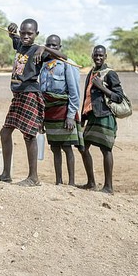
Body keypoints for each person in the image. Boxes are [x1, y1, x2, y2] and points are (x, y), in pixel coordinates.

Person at [0, 19, 65, 186]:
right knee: (5, 133)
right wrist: (11, 29)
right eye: (23, 33)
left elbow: (64, 57)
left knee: (29, 136)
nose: (26, 36)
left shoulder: (38, 50)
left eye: (30, 33)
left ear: (37, 34)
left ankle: (33, 177)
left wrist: (44, 47)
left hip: (30, 94)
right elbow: (13, 36)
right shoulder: (20, 45)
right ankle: (6, 173)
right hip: (18, 94)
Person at [39, 35, 83, 185]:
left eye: (54, 46)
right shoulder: (44, 65)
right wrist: (41, 119)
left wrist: (71, 115)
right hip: (49, 112)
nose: (51, 48)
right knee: (55, 148)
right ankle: (59, 181)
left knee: (67, 147)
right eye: (49, 45)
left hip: (64, 111)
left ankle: (71, 183)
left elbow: (74, 92)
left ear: (60, 47)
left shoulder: (67, 64)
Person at [79, 45, 124, 194]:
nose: (98, 58)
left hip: (105, 116)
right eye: (96, 55)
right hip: (92, 116)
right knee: (83, 147)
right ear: (92, 55)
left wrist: (102, 87)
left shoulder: (110, 73)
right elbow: (86, 96)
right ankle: (91, 183)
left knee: (106, 150)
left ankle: (108, 187)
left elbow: (118, 97)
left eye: (101, 55)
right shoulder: (91, 72)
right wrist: (83, 117)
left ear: (105, 57)